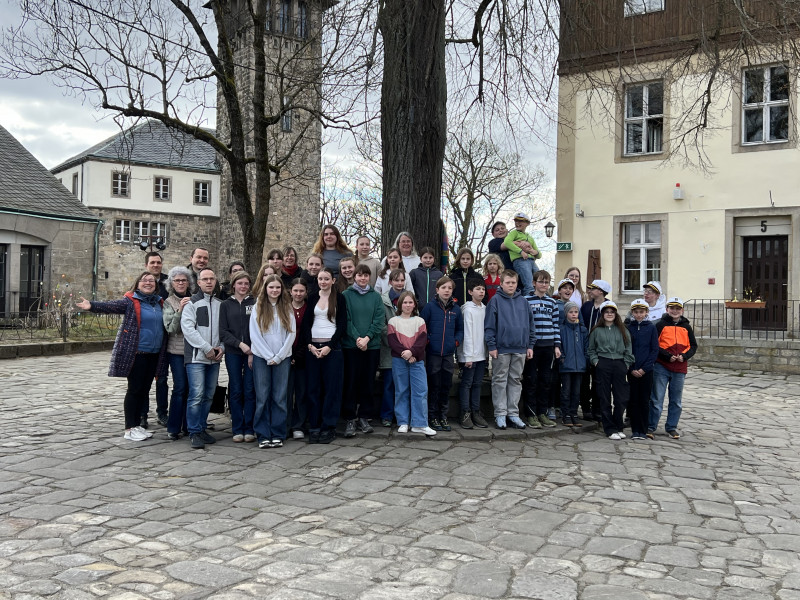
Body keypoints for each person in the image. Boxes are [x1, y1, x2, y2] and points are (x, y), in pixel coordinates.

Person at [75, 272, 167, 441]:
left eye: (151, 281)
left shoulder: (159, 303)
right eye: (144, 280)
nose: (148, 283)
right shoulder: (130, 301)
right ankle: (129, 428)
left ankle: (137, 425)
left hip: (154, 354)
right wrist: (92, 306)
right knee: (134, 390)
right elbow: (112, 306)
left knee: (144, 390)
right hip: (137, 353)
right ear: (137, 284)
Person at [249, 274, 296, 449]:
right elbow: (255, 335)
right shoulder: (258, 308)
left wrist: (279, 356)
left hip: (282, 357)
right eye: (271, 287)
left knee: (279, 397)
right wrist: (268, 355)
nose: (275, 290)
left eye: (277, 287)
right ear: (265, 289)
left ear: (282, 289)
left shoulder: (287, 308)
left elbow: (291, 334)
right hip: (262, 357)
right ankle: (263, 434)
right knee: (262, 396)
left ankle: (278, 433)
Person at [485, 270, 534, 430]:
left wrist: (530, 345)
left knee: (515, 380)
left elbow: (531, 325)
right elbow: (490, 326)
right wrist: (491, 345)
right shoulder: (495, 301)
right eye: (508, 282)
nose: (511, 285)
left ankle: (513, 413)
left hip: (520, 348)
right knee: (499, 380)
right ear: (501, 284)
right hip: (501, 348)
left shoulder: (524, 302)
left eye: (513, 282)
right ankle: (500, 413)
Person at [302, 268, 347, 444]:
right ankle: (314, 426)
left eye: (326, 279)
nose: (323, 282)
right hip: (313, 348)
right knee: (313, 389)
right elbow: (306, 324)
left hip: (332, 349)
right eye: (320, 279)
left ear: (333, 281)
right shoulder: (312, 297)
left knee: (332, 390)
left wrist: (330, 346)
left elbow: (342, 325)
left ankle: (328, 427)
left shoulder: (340, 298)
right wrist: (310, 345)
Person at [181, 267, 224, 450]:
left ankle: (201, 426)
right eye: (204, 279)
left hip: (214, 358)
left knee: (208, 395)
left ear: (215, 282)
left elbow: (224, 330)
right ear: (198, 282)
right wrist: (206, 348)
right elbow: (188, 329)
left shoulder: (221, 304)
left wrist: (221, 348)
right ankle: (194, 432)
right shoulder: (191, 304)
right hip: (197, 358)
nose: (208, 282)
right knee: (196, 395)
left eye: (211, 279)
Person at [341, 264, 384, 437]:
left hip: (371, 346)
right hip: (351, 346)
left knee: (368, 382)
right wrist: (358, 338)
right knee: (351, 382)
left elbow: (379, 319)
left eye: (366, 275)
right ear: (355, 277)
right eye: (360, 275)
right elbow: (346, 320)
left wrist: (367, 338)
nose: (363, 278)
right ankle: (350, 418)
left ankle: (365, 416)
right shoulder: (346, 295)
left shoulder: (376, 297)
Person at [648, 297, 697, 440]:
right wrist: (667, 356)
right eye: (672, 308)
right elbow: (655, 345)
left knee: (676, 400)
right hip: (662, 366)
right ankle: (651, 426)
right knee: (657, 398)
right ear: (667, 309)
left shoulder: (686, 327)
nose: (675, 311)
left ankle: (671, 427)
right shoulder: (661, 325)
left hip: (680, 368)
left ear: (682, 310)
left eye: (678, 308)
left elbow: (693, 345)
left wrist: (685, 356)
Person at [387, 291, 436, 436]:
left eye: (410, 302)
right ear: (399, 304)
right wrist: (406, 354)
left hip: (417, 360)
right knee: (401, 390)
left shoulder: (419, 321)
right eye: (405, 302)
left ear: (414, 304)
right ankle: (403, 422)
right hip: (399, 360)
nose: (408, 305)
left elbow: (422, 341)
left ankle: (419, 423)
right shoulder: (393, 322)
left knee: (420, 391)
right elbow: (393, 342)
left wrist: (413, 353)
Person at [420, 276, 463, 432]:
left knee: (446, 385)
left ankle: (443, 415)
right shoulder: (429, 308)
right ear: (437, 290)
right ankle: (432, 416)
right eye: (443, 288)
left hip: (448, 354)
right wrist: (429, 341)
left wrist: (455, 342)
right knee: (434, 385)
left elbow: (460, 330)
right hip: (433, 354)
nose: (447, 290)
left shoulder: (456, 310)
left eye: (449, 288)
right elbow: (422, 328)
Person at [588, 301, 635, 440]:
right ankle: (609, 428)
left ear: (615, 314)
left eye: (612, 312)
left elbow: (628, 348)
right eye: (607, 311)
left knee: (621, 398)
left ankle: (618, 426)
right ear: (602, 314)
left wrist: (626, 363)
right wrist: (596, 362)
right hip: (603, 363)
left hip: (620, 364)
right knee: (604, 397)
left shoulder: (623, 329)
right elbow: (591, 350)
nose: (609, 314)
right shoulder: (596, 330)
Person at [219, 270, 256, 443]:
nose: (243, 286)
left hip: (252, 353)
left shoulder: (254, 303)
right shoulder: (226, 305)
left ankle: (249, 427)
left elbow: (258, 329)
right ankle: (237, 428)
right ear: (233, 285)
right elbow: (223, 331)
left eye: (246, 284)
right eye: (240, 283)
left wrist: (251, 351)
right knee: (235, 389)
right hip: (234, 353)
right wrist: (240, 345)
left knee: (249, 389)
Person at [522, 270, 561, 428]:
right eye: (541, 282)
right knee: (531, 380)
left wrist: (557, 345)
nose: (544, 285)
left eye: (546, 282)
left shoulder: (552, 302)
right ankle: (531, 414)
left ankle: (542, 413)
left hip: (549, 346)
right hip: (533, 347)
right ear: (534, 283)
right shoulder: (526, 300)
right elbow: (524, 325)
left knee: (546, 381)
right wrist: (527, 346)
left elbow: (556, 325)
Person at [162, 266, 194, 440]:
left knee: (192, 389)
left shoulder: (195, 300)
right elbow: (171, 328)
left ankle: (189, 425)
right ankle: (173, 427)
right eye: (177, 281)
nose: (181, 283)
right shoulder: (169, 302)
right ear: (171, 284)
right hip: (176, 351)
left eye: (184, 280)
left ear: (189, 282)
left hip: (194, 351)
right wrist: (181, 311)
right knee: (180, 388)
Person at [378, 269, 409, 427]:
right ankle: (387, 415)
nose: (399, 283)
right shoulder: (383, 300)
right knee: (389, 384)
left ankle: (401, 415)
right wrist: (395, 342)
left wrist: (407, 343)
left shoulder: (409, 298)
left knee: (403, 385)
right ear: (390, 282)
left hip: (406, 349)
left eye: (402, 280)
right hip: (389, 349)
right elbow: (382, 326)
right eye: (396, 280)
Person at [457, 280, 489, 429]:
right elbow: (468, 334)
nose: (481, 292)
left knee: (477, 384)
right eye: (478, 289)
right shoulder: (467, 309)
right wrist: (468, 356)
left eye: (483, 289)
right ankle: (465, 412)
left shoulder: (485, 308)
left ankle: (476, 411)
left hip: (481, 354)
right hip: (469, 355)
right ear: (470, 292)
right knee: (467, 384)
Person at [627, 299, 659, 441]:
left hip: (646, 371)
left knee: (644, 400)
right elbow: (627, 349)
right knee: (634, 400)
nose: (639, 315)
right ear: (632, 313)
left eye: (642, 312)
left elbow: (654, 350)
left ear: (646, 313)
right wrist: (632, 368)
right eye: (636, 312)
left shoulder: (651, 328)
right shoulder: (629, 328)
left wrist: (645, 368)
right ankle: (635, 429)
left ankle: (643, 429)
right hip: (632, 370)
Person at [580, 279, 611, 422]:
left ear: (600, 291)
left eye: (593, 289)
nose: (590, 291)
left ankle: (597, 408)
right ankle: (586, 408)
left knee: (599, 380)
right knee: (585, 379)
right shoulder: (586, 306)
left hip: (602, 349)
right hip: (586, 347)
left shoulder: (609, 307)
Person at [145, 251, 168, 427]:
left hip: (167, 337)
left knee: (162, 379)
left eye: (158, 262)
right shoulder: (142, 282)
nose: (155, 265)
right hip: (148, 339)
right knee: (143, 380)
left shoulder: (168, 282)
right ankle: (142, 414)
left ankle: (162, 412)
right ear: (147, 265)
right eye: (152, 262)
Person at [559, 301, 589, 428]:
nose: (573, 314)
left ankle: (574, 413)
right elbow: (559, 346)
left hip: (579, 366)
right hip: (566, 366)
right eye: (571, 312)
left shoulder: (582, 330)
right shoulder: (562, 329)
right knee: (566, 391)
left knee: (576, 392)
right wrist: (562, 358)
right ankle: (565, 414)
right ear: (566, 314)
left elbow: (586, 348)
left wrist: (585, 360)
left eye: (575, 312)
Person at [288, 278, 309, 439]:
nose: (298, 294)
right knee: (286, 393)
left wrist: (298, 355)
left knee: (301, 392)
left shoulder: (309, 309)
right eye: (296, 290)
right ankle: (286, 424)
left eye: (301, 291)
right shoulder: (284, 308)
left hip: (302, 355)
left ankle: (298, 425)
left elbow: (308, 335)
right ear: (290, 291)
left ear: (306, 292)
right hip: (285, 355)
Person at [504, 212, 541, 295]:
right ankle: (529, 303)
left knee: (540, 281)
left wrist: (534, 252)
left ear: (527, 223)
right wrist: (520, 251)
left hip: (531, 261)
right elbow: (507, 242)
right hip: (520, 260)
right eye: (516, 221)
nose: (517, 223)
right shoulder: (514, 233)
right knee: (529, 284)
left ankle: (540, 299)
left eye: (520, 221)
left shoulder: (529, 237)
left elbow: (539, 255)